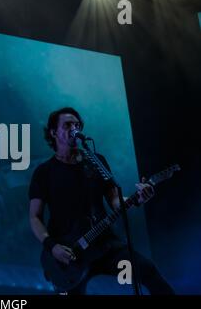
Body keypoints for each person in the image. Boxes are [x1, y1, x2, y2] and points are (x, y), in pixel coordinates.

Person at [28, 107, 174, 295]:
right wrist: (52, 246)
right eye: (67, 125)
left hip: (105, 247)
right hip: (70, 255)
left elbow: (115, 201)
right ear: (53, 132)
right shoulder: (44, 172)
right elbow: (34, 217)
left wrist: (137, 199)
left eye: (77, 124)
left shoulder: (96, 161)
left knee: (147, 270)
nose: (74, 128)